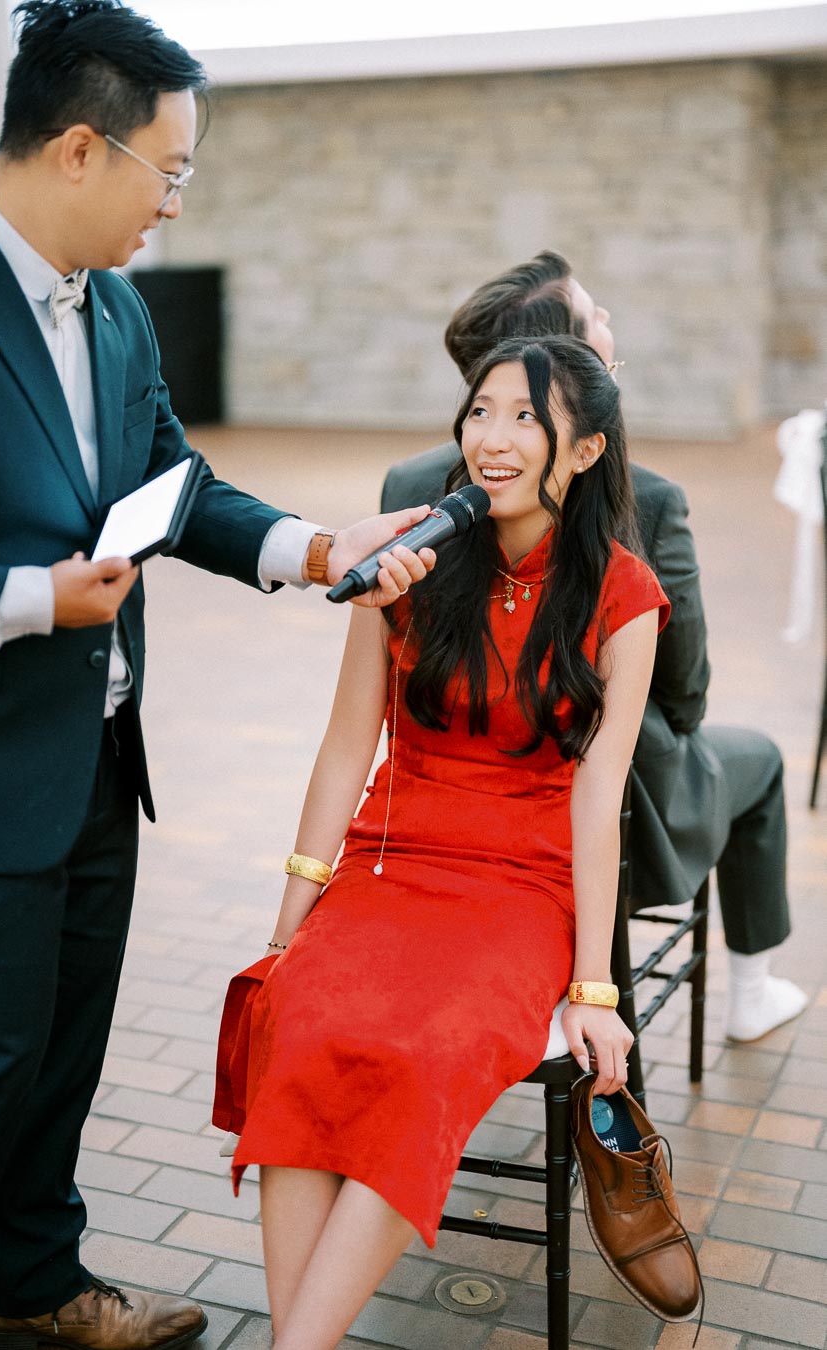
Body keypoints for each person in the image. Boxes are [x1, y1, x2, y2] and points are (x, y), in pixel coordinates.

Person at [0, 4, 435, 1346]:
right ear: (82, 149)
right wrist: (31, 599)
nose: (175, 203)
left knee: (58, 1059)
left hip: (97, 763)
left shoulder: (122, 311)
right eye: (174, 171)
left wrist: (317, 544)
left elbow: (177, 486)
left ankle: (35, 1286)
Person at [218, 335, 671, 1350]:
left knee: (424, 1055)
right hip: (391, 861)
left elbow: (600, 800)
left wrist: (594, 990)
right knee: (297, 1018)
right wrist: (291, 922)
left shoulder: (624, 594)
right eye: (480, 411)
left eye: (525, 417)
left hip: (522, 889)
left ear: (586, 449)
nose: (492, 439)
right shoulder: (411, 556)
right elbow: (345, 749)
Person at [382, 253, 807, 1045]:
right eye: (594, 313)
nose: (609, 322)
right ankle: (752, 991)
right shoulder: (643, 494)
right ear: (568, 361)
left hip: (445, 810)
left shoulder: (410, 482)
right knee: (759, 757)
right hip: (606, 812)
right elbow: (684, 692)